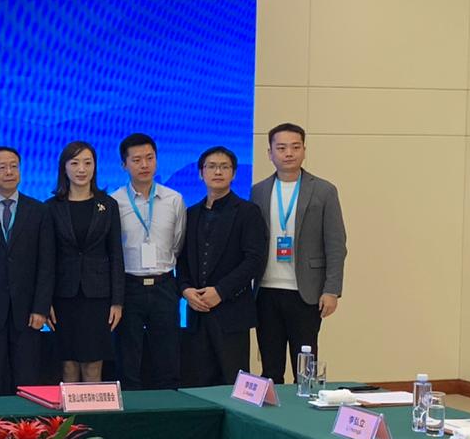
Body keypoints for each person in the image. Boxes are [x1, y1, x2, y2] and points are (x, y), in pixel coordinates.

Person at [251, 123, 347, 383]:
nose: (288, 153)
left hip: (307, 293)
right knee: (270, 366)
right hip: (266, 290)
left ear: (304, 150)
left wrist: (331, 289)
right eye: (281, 148)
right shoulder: (258, 191)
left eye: (295, 147)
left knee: (306, 368)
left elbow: (336, 244)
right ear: (270, 153)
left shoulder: (324, 190)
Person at [0, 146, 55, 395]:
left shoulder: (39, 211)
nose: (9, 172)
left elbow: (47, 264)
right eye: (2, 167)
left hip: (27, 313)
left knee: (28, 382)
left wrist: (40, 307)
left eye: (14, 166)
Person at [177, 146, 267, 386]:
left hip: (232, 311)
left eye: (225, 167)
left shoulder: (248, 212)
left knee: (232, 382)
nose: (218, 172)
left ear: (234, 174)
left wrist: (221, 291)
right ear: (201, 173)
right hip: (196, 312)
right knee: (196, 382)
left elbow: (254, 261)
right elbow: (181, 259)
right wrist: (185, 290)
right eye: (212, 167)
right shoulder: (192, 213)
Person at [110, 133, 186, 390]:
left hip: (164, 285)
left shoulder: (174, 199)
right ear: (124, 165)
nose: (144, 165)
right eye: (137, 159)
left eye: (150, 158)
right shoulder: (114, 202)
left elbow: (178, 243)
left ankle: (168, 407)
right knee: (128, 357)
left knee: (168, 356)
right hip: (128, 286)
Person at [46, 141, 124, 383]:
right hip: (63, 296)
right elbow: (47, 258)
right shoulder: (51, 207)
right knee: (68, 365)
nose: (82, 169)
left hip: (98, 297)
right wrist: (44, 301)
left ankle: (94, 420)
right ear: (64, 168)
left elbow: (115, 254)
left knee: (93, 364)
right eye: (75, 163)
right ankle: (69, 421)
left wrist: (117, 301)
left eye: (87, 163)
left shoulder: (107, 205)